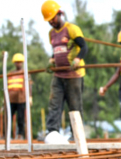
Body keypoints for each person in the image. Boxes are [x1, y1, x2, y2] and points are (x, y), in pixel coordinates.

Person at [41, 0, 88, 143]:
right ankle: (52, 132)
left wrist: (78, 59)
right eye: (49, 21)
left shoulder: (72, 29)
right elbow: (55, 50)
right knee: (54, 103)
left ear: (59, 14)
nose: (51, 23)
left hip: (74, 75)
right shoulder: (51, 34)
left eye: (52, 19)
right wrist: (51, 60)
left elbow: (84, 47)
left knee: (74, 106)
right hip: (58, 75)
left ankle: (77, 134)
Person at [8, 53, 32, 139]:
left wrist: (30, 97)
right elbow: (7, 87)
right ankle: (7, 135)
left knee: (20, 118)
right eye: (17, 62)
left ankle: (20, 134)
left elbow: (29, 85)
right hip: (11, 99)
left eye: (20, 62)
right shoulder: (10, 74)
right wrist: (5, 99)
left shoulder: (25, 73)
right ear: (14, 63)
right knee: (8, 117)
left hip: (21, 99)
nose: (18, 64)